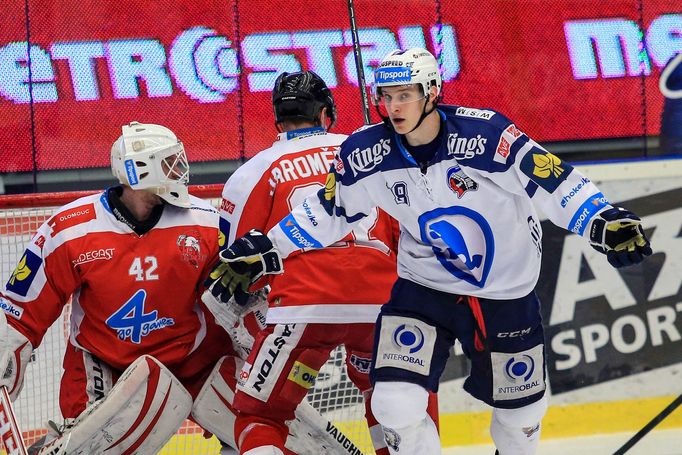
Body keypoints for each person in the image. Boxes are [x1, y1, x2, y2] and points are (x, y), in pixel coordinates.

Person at [207, 48, 653, 455]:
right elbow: (330, 209)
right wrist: (269, 247)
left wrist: (601, 220)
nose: (394, 106)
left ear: (433, 92)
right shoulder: (366, 151)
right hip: (425, 288)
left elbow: (555, 183)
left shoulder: (487, 135)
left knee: (522, 417)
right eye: (386, 95)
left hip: (505, 291)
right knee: (392, 402)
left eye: (405, 94)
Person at [207, 70, 438, 455]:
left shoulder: (254, 171)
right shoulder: (372, 153)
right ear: (326, 112)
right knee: (397, 407)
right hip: (383, 304)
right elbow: (410, 234)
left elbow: (234, 265)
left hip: (304, 304)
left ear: (277, 119)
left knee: (259, 416)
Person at [0, 122, 246, 454]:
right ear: (139, 171)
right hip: (106, 362)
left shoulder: (204, 221)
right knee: (87, 448)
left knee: (266, 430)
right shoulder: (70, 230)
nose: (180, 170)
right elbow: (19, 313)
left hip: (195, 356)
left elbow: (239, 295)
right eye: (168, 162)